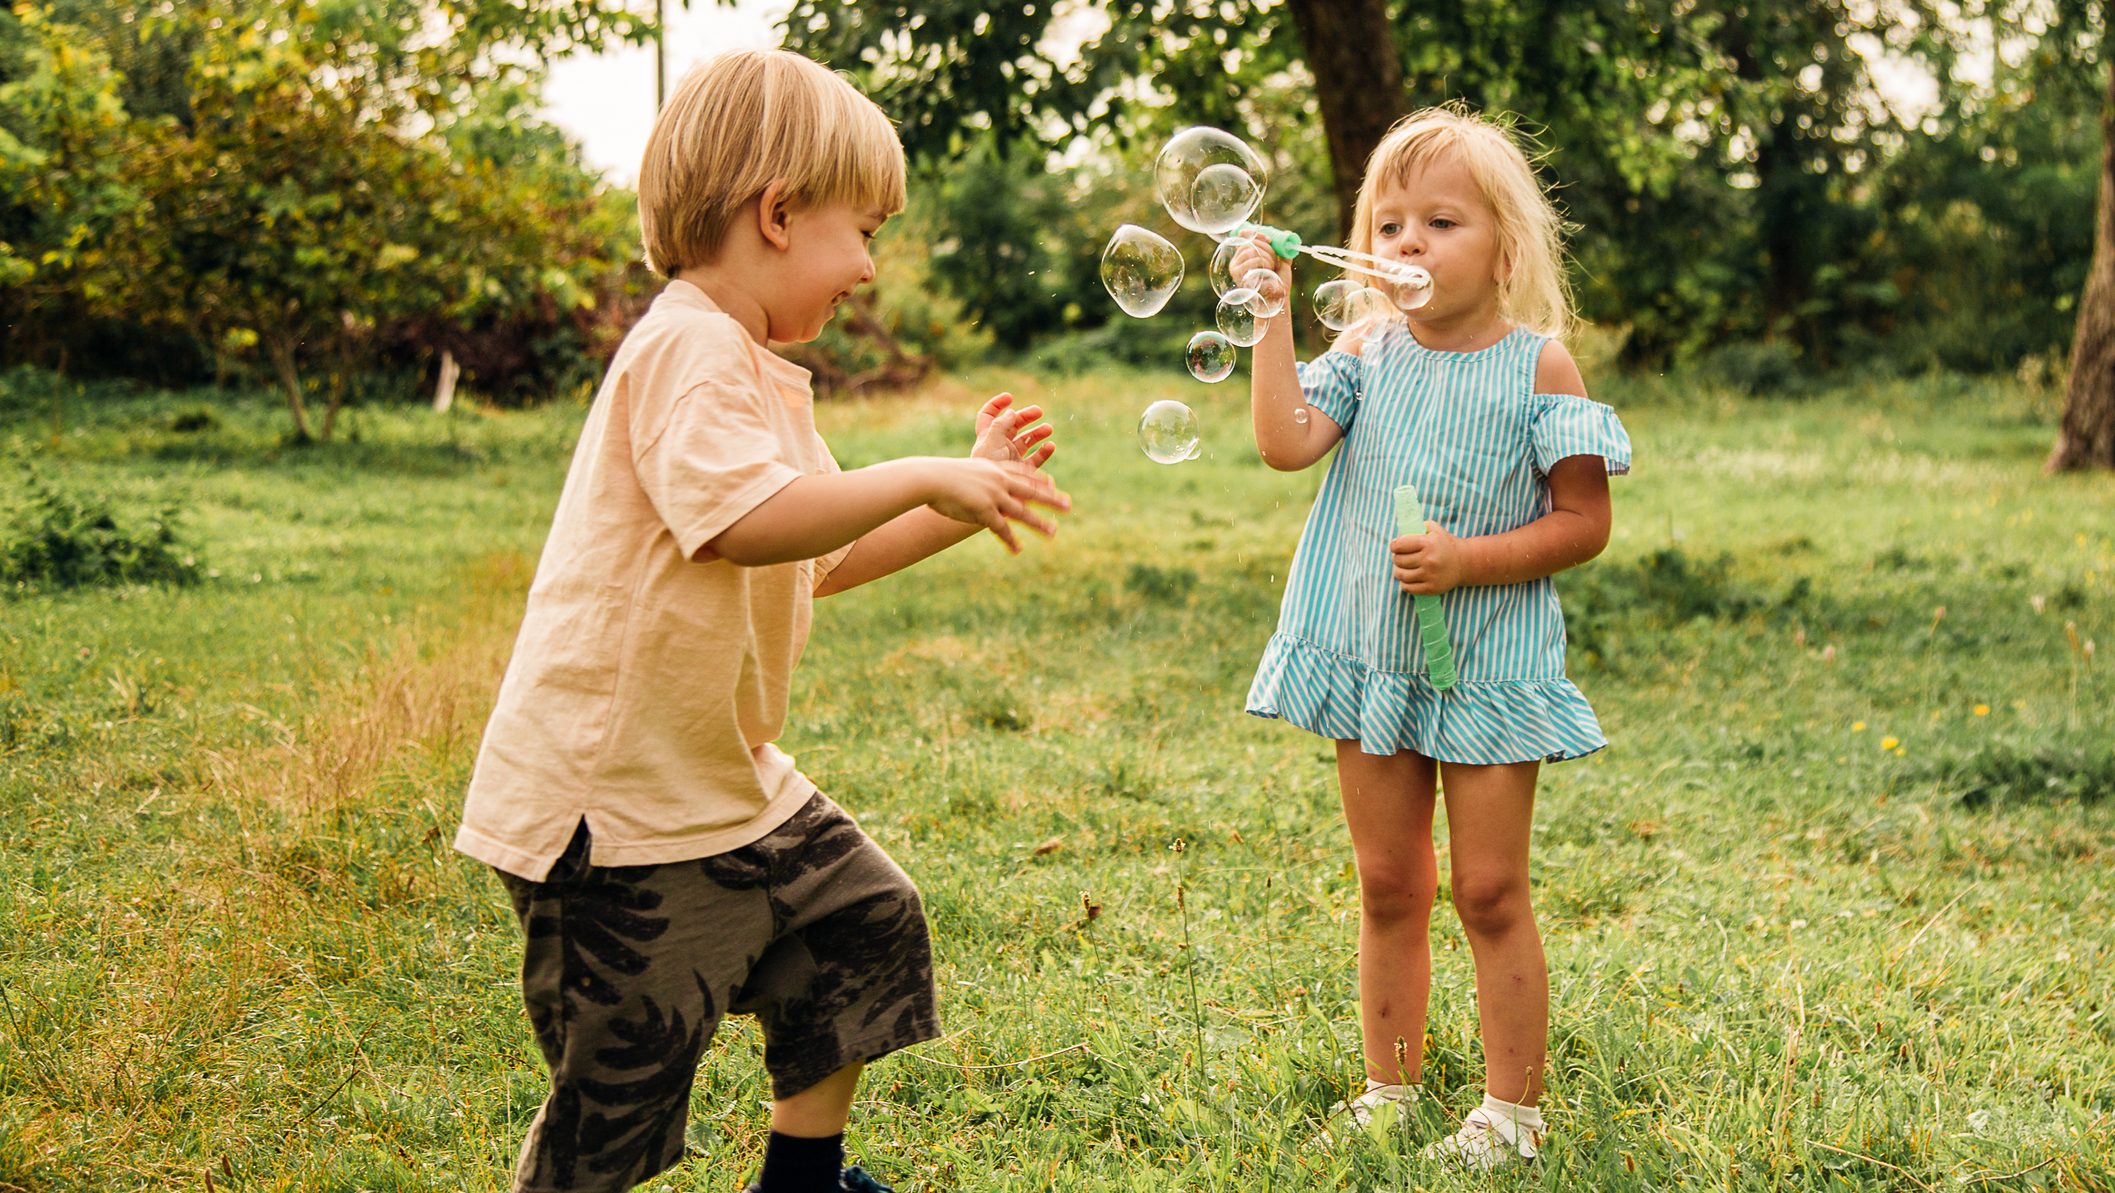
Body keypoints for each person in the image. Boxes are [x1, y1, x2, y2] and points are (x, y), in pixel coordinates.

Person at [453, 49, 1070, 1193]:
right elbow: (744, 521)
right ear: (779, 212)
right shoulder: (688, 346)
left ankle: (803, 1181)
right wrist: (922, 469)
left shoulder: (755, 366)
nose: (871, 265)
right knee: (623, 1084)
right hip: (615, 807)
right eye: (866, 230)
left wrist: (958, 502)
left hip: (719, 779)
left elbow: (819, 548)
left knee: (865, 919)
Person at [1231, 105, 1631, 1169]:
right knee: (1389, 881)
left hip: (1486, 667)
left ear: (1506, 241)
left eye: (1441, 221)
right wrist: (1270, 317)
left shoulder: (1539, 367)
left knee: (1488, 888)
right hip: (1374, 659)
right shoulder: (1366, 349)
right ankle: (1390, 1086)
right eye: (1392, 223)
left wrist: (1468, 561)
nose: (1410, 244)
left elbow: (1584, 523)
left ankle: (1512, 1113)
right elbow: (1284, 442)